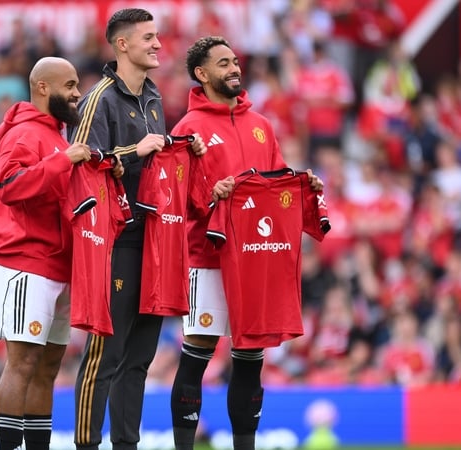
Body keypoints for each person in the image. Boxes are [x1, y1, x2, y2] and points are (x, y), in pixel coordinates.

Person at [168, 36, 323, 450]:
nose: (235, 68)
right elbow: (176, 196)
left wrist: (302, 185)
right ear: (202, 74)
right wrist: (209, 194)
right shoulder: (188, 128)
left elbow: (275, 188)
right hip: (207, 257)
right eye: (224, 63)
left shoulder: (262, 126)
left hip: (255, 258)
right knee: (197, 352)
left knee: (250, 359)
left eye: (235, 61)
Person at [67, 8, 205, 450]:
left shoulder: (152, 98)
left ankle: (127, 444)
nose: (157, 44)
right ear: (122, 44)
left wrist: (182, 148)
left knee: (140, 359)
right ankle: (86, 445)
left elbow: (155, 164)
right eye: (147, 37)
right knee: (103, 356)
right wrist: (134, 149)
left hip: (154, 237)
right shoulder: (100, 98)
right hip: (115, 239)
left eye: (157, 36)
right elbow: (79, 162)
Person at [0, 56, 92, 450]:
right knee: (22, 363)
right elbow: (10, 187)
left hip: (59, 264)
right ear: (43, 87)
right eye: (70, 85)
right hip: (26, 261)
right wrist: (63, 160)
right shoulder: (24, 134)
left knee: (47, 368)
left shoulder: (58, 136)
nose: (77, 92)